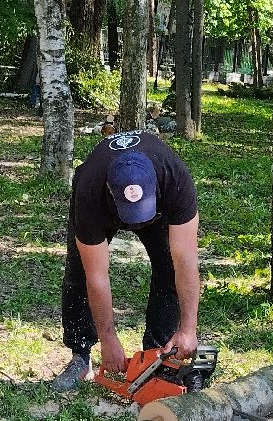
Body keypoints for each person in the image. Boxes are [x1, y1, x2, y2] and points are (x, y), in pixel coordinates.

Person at [52, 130, 201, 391]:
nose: (137, 222)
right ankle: (80, 356)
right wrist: (108, 338)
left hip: (160, 208)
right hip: (101, 210)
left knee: (168, 269)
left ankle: (158, 355)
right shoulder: (90, 190)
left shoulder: (175, 179)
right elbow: (96, 277)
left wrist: (188, 328)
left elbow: (186, 261)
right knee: (78, 274)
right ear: (110, 189)